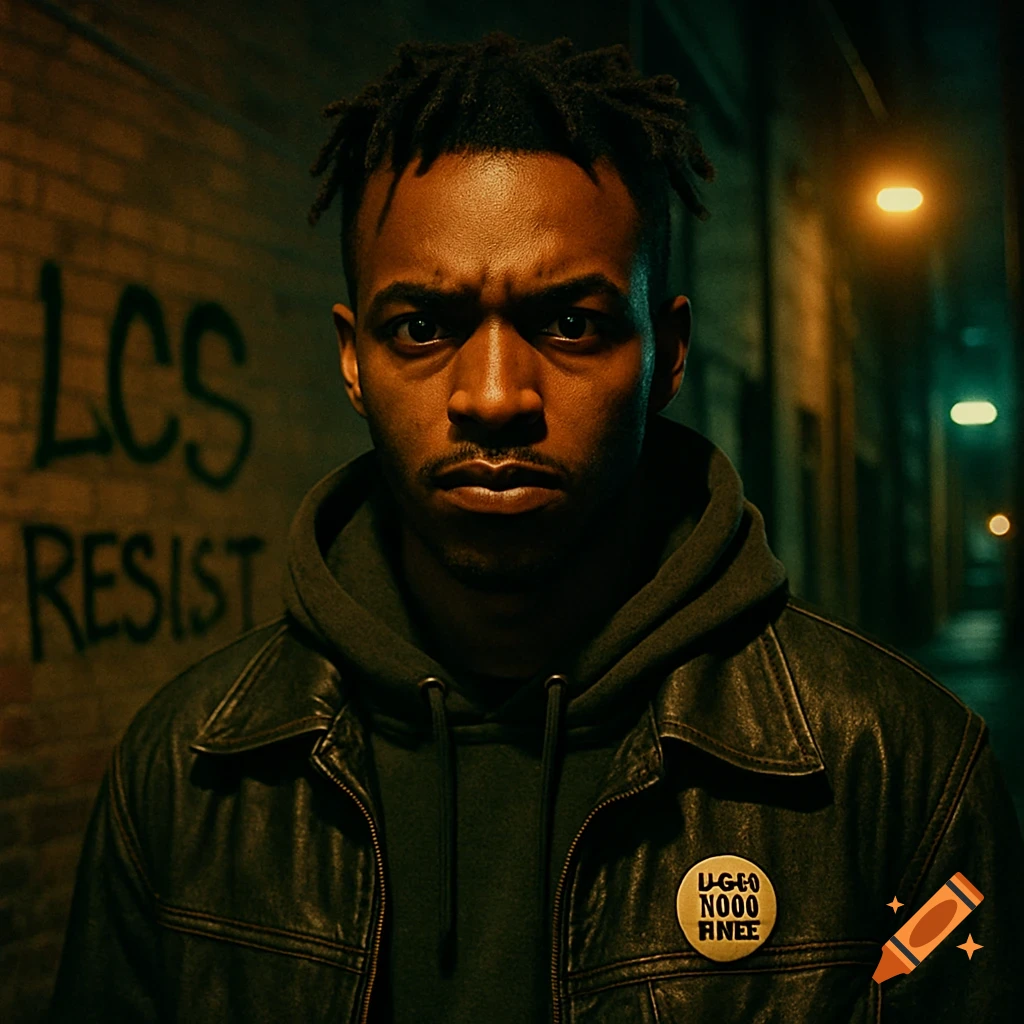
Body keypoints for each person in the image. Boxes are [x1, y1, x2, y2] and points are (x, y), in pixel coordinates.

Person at [50, 32, 1023, 1024]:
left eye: (570, 324)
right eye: (424, 327)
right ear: (353, 360)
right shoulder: (187, 773)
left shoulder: (895, 775)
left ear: (669, 355)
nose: (494, 394)